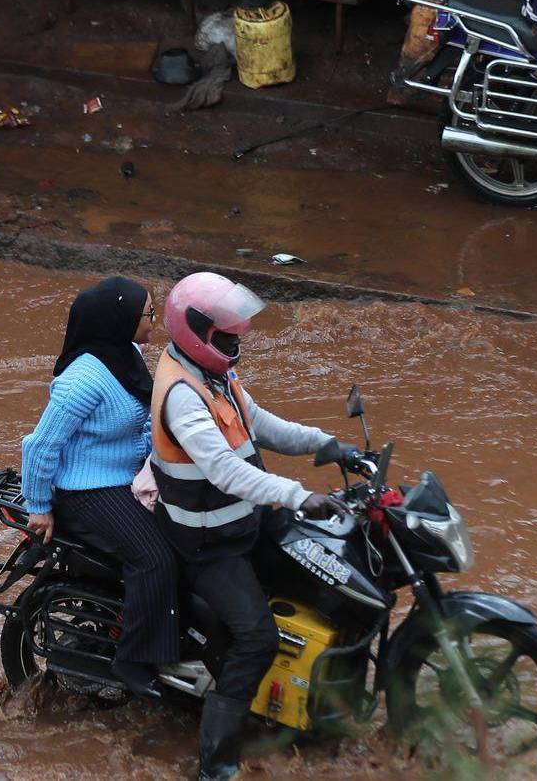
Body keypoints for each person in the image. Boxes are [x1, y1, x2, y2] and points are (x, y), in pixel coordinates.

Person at [148, 271, 354, 781]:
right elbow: (223, 469)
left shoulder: (214, 374)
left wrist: (326, 445)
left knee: (325, 571)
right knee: (255, 639)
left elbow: (259, 423)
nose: (235, 341)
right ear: (197, 331)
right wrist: (299, 495)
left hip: (243, 521)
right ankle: (216, 766)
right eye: (226, 334)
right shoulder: (181, 392)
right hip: (207, 541)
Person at [19, 276, 178, 699]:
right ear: (119, 318)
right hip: (86, 492)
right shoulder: (84, 379)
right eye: (147, 314)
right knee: (154, 557)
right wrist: (39, 505)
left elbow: (142, 422)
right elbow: (40, 446)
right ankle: (135, 659)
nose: (154, 322)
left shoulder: (126, 355)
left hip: (125, 478)